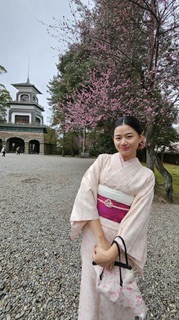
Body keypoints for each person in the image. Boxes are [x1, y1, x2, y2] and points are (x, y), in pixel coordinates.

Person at [70, 116, 155, 320]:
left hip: (121, 239)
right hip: (94, 232)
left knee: (116, 287)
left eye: (129, 136)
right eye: (118, 137)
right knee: (91, 284)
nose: (123, 142)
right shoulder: (102, 161)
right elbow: (86, 194)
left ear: (140, 138)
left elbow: (137, 218)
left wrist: (111, 253)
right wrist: (101, 242)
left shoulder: (146, 176)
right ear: (113, 139)